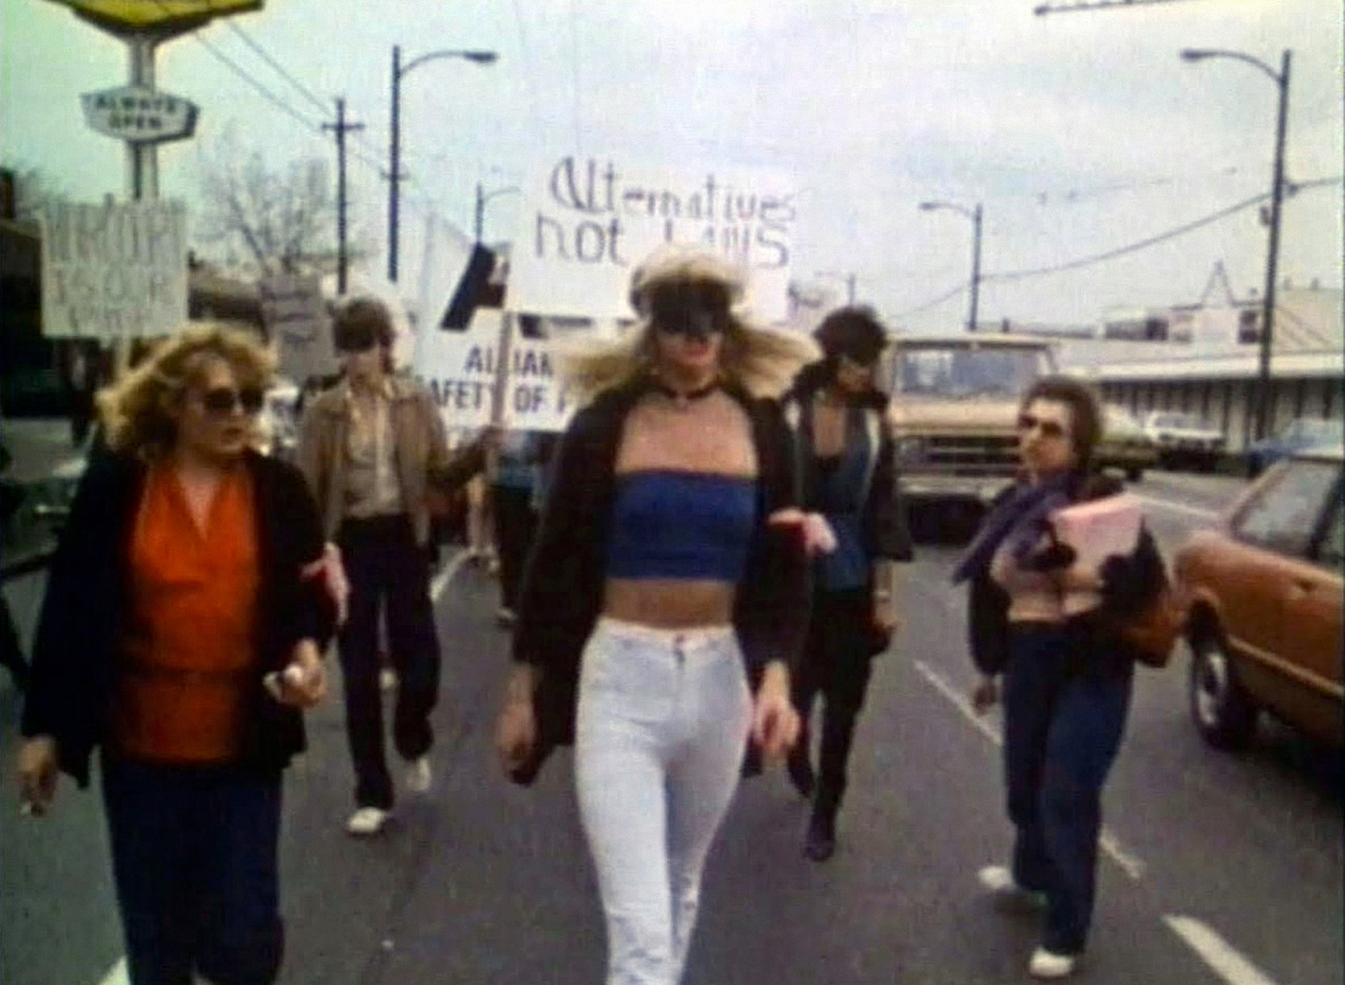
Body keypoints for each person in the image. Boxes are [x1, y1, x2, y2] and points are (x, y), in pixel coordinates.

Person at [494, 246, 816, 985]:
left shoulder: (764, 427)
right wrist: (523, 693)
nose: (697, 339)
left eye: (711, 321)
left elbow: (780, 571)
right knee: (638, 928)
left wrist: (776, 680)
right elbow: (553, 566)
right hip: (621, 680)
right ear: (651, 331)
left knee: (678, 885)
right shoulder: (604, 424)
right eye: (679, 323)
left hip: (717, 679)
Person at [16, 324, 336, 985]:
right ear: (173, 405)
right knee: (157, 942)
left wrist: (306, 653)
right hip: (143, 752)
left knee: (242, 941)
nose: (240, 415)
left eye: (250, 398)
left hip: (244, 744)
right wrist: (44, 729)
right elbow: (71, 604)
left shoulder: (278, 488)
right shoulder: (118, 487)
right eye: (219, 401)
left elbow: (308, 595)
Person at [952, 374, 1167, 980]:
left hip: (1091, 665)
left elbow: (1145, 584)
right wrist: (990, 668)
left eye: (1052, 430)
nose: (1035, 438)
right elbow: (989, 595)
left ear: (1080, 443)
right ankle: (1030, 872)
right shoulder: (1009, 505)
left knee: (1066, 793)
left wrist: (1095, 581)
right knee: (1023, 786)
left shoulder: (1104, 503)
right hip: (1028, 658)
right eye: (1028, 424)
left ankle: (1066, 929)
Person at [297, 297, 488, 836]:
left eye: (367, 346)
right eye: (349, 348)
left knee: (419, 655)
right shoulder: (323, 412)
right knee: (358, 668)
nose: (358, 359)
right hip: (350, 542)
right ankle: (372, 793)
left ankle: (412, 733)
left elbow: (442, 474)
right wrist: (308, 551)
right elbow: (306, 488)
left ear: (385, 348)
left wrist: (480, 451)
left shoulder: (415, 402)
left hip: (403, 538)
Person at [779, 306, 913, 862]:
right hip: (791, 572)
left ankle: (827, 809)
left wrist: (884, 595)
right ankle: (795, 750)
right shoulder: (788, 411)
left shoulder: (877, 424)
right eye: (858, 362)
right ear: (831, 358)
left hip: (852, 574)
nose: (867, 375)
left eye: (873, 365)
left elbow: (885, 508)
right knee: (794, 690)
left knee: (845, 700)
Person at [490, 428, 545, 625]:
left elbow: (538, 449)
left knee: (524, 545)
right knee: (507, 545)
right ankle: (509, 601)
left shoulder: (541, 419)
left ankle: (522, 602)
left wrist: (508, 446)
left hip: (532, 486)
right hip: (503, 482)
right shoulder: (503, 413)